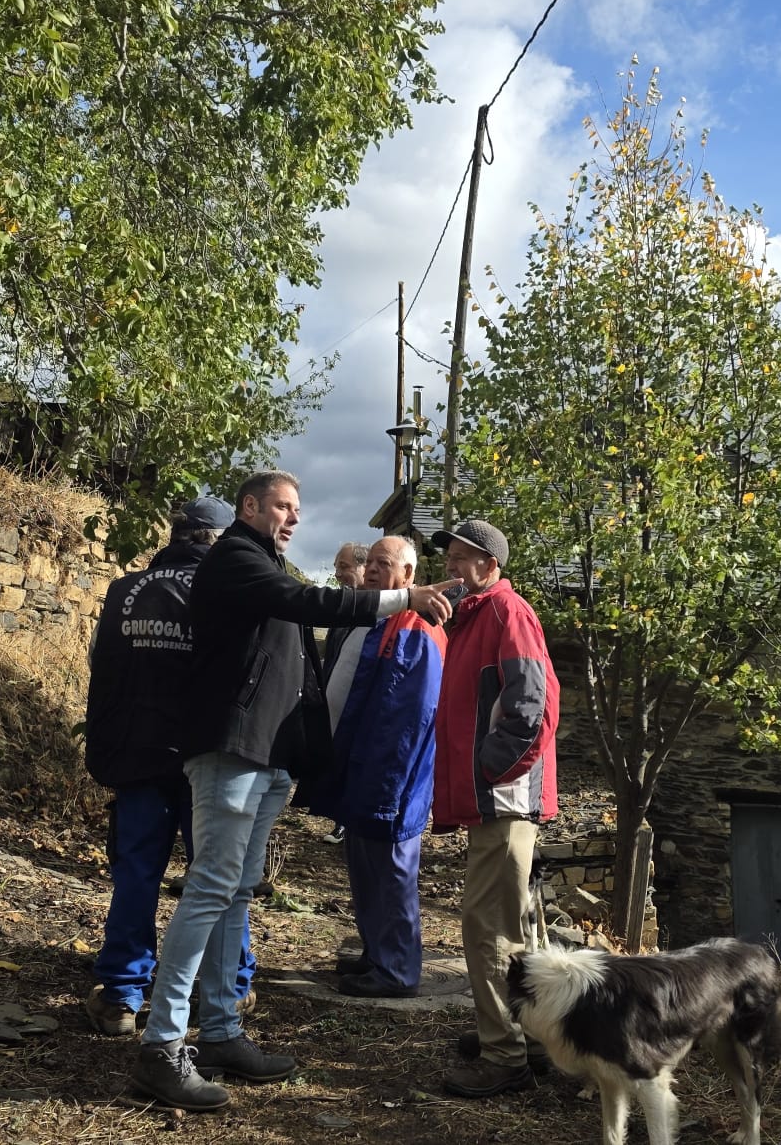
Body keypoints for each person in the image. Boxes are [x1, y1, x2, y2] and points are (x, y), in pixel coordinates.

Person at [131, 471, 458, 1113]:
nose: (295, 517)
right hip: (231, 751)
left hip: (265, 758)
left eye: (297, 508)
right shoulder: (235, 558)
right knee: (210, 888)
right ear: (249, 507)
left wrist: (299, 760)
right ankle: (161, 1046)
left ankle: (220, 1032)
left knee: (235, 892)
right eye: (283, 506)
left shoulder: (263, 563)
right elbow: (310, 603)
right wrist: (404, 598)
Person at [80, 496, 256, 1036]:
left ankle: (121, 995)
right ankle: (228, 988)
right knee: (218, 877)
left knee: (136, 873)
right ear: (217, 539)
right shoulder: (228, 589)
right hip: (206, 757)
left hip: (137, 753)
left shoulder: (122, 591)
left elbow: (101, 666)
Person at [428, 518, 559, 1099]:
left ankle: (504, 1055)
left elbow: (533, 706)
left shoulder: (506, 612)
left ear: (490, 566)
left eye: (462, 558)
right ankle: (526, 1037)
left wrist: (490, 772)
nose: (451, 567)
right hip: (496, 798)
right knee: (516, 925)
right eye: (450, 557)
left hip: (503, 798)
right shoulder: (474, 618)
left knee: (489, 928)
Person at [308, 534, 446, 999]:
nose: (370, 569)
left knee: (391, 872)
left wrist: (387, 784)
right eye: (370, 562)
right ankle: (377, 954)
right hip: (362, 769)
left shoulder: (416, 626)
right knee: (366, 868)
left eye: (383, 564)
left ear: (408, 575)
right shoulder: (376, 619)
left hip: (391, 777)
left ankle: (397, 971)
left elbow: (411, 715)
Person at [316, 541, 372, 844]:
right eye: (337, 567)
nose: (337, 574)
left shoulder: (375, 612)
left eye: (344, 567)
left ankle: (347, 823)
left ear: (364, 569)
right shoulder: (343, 610)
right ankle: (340, 819)